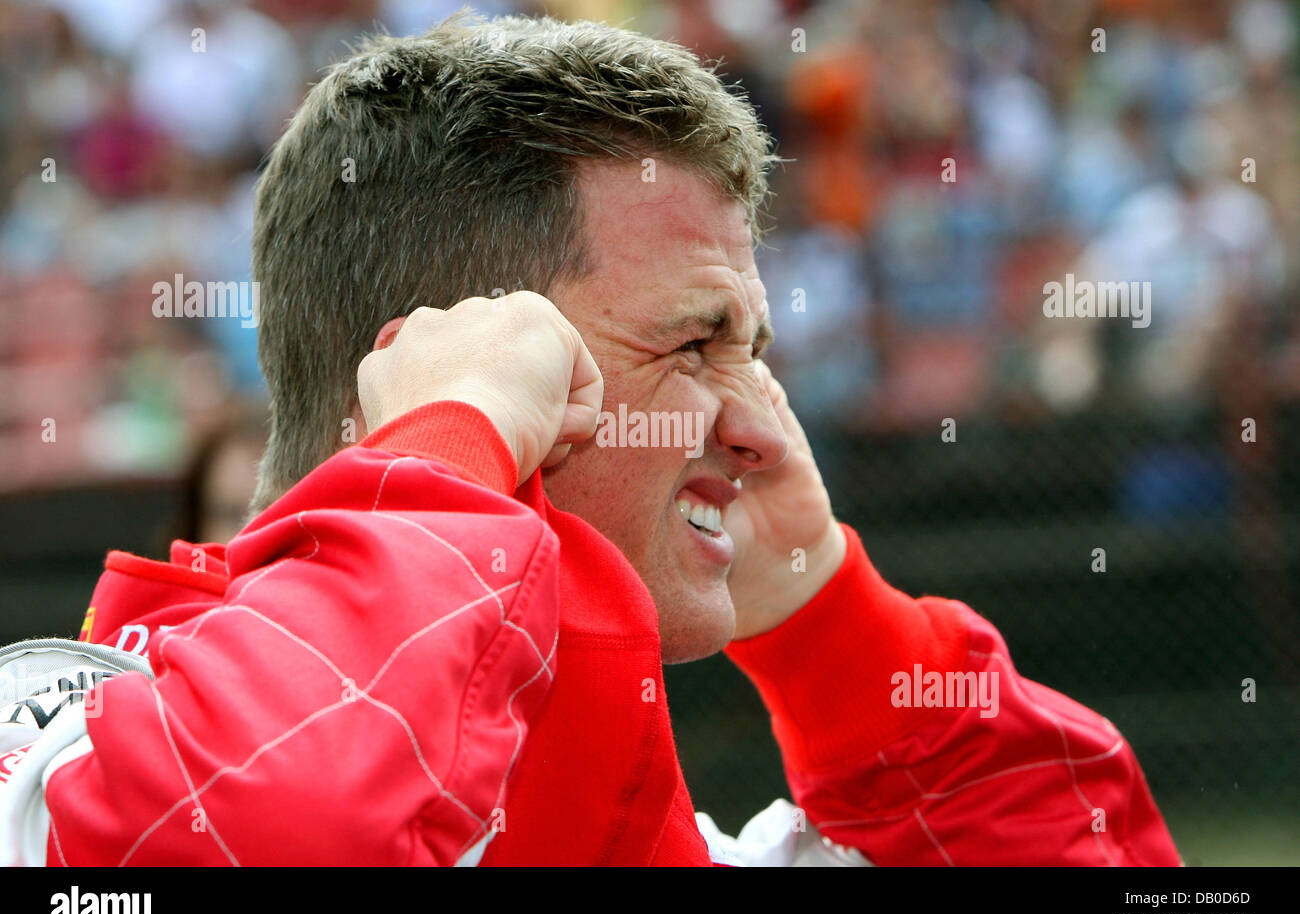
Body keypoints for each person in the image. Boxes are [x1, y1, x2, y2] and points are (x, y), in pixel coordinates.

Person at [0, 13, 1179, 866]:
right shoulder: (58, 746)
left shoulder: (660, 833)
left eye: (755, 349)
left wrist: (828, 619)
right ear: (445, 362)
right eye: (696, 342)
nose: (766, 421)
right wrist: (437, 461)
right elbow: (286, 828)